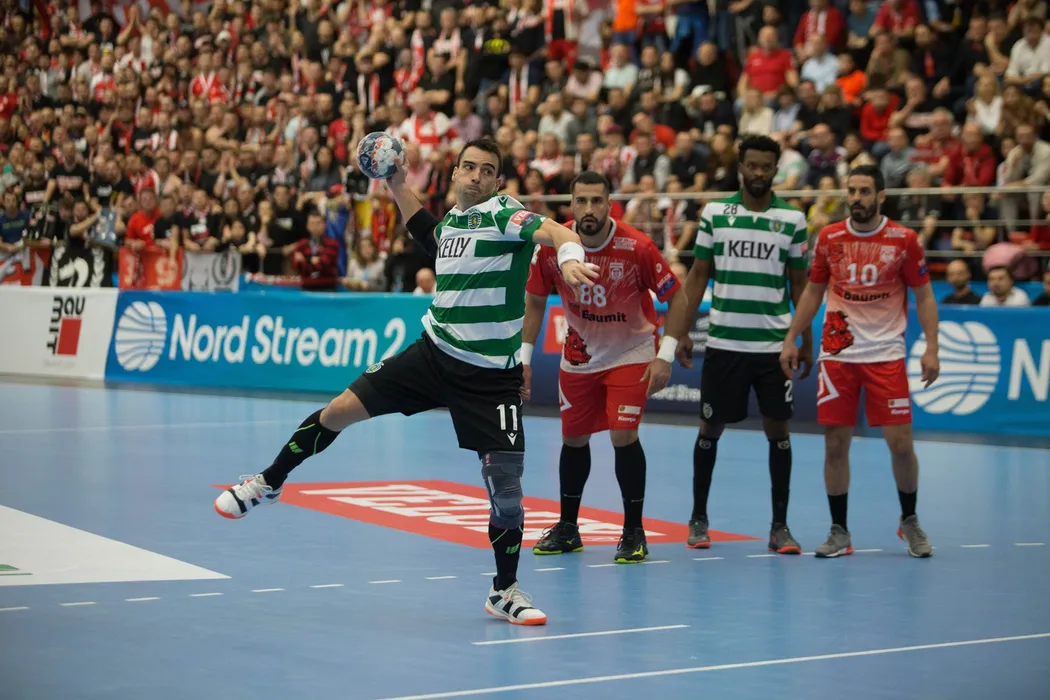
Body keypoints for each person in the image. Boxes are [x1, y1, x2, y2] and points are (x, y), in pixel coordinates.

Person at [214, 137, 599, 625]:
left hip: (491, 379)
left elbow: (557, 231)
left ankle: (504, 591)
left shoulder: (504, 213)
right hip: (433, 355)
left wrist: (568, 257)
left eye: (487, 170)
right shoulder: (453, 224)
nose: (477, 176)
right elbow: (427, 232)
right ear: (454, 173)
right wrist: (396, 182)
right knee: (337, 411)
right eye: (469, 167)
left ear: (498, 181)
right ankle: (268, 482)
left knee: (507, 492)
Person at [520, 171, 685, 564]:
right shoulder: (554, 245)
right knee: (573, 439)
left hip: (631, 353)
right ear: (571, 204)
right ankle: (568, 528)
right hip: (579, 356)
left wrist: (665, 355)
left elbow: (676, 298)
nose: (589, 209)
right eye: (581, 201)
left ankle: (633, 531)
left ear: (610, 204)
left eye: (597, 200)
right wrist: (523, 360)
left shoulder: (637, 246)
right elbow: (535, 300)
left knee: (623, 436)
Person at [780, 164, 940, 559]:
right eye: (851, 190)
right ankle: (839, 531)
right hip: (838, 355)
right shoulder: (830, 237)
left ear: (881, 196)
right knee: (835, 444)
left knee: (900, 444)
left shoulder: (903, 240)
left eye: (864, 191)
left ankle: (909, 520)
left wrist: (931, 348)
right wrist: (791, 337)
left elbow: (924, 295)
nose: (856, 198)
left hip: (886, 354)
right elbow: (813, 292)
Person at [662, 134, 812, 555]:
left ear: (776, 169)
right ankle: (698, 518)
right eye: (752, 165)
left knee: (778, 429)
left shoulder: (793, 219)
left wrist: (805, 340)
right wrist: (682, 331)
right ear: (740, 167)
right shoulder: (716, 213)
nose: (758, 172)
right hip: (724, 343)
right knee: (710, 427)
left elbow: (801, 286)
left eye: (766, 166)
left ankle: (780, 527)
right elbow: (697, 276)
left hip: (773, 347)